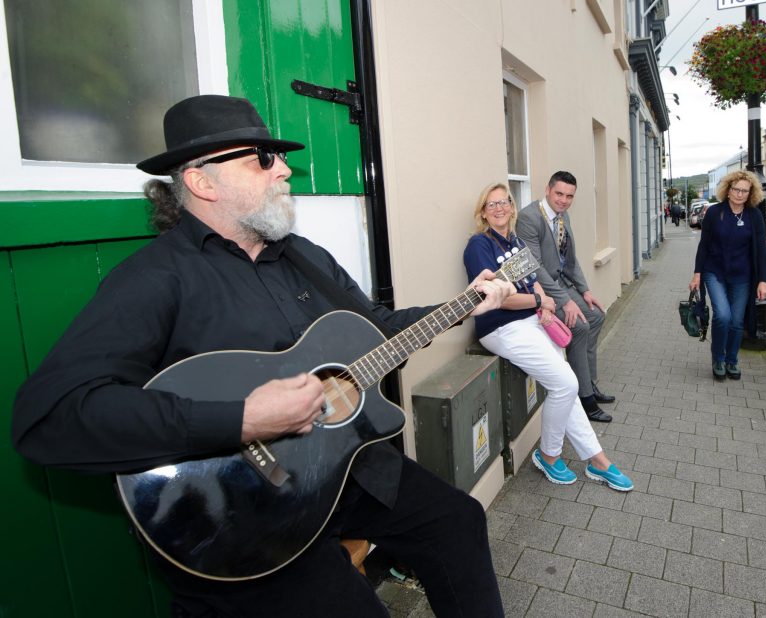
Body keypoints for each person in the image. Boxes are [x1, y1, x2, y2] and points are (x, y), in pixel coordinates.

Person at [10, 95, 513, 617]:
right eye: (263, 158)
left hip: (345, 469)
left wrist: (464, 304)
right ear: (203, 181)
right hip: (243, 514)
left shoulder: (305, 258)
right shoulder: (155, 279)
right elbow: (51, 417)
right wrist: (243, 419)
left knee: (458, 521)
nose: (286, 169)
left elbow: (376, 332)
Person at [463, 183, 633, 492]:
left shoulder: (514, 240)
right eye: (492, 204)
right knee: (566, 384)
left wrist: (544, 302)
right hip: (502, 327)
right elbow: (495, 299)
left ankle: (598, 460)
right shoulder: (479, 246)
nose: (499, 208)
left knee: (564, 385)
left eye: (504, 202)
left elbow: (533, 282)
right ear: (483, 212)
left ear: (512, 207)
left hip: (532, 321)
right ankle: (549, 455)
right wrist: (539, 303)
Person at [516, 171, 615, 422]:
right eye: (559, 194)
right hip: (541, 289)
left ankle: (589, 382)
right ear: (548, 190)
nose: (563, 200)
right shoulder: (529, 218)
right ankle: (584, 398)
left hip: (562, 283)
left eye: (569, 196)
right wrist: (566, 301)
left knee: (596, 316)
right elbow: (534, 268)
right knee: (580, 325)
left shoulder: (562, 216)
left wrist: (585, 291)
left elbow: (570, 261)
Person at [689, 170, 766, 381]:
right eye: (736, 189)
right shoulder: (715, 213)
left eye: (744, 190)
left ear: (751, 192)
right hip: (714, 272)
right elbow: (703, 245)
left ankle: (732, 360)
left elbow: (761, 250)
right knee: (723, 315)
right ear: (728, 189)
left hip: (743, 276)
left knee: (736, 321)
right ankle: (718, 358)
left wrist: (763, 280)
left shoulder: (754, 216)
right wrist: (697, 274)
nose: (740, 194)